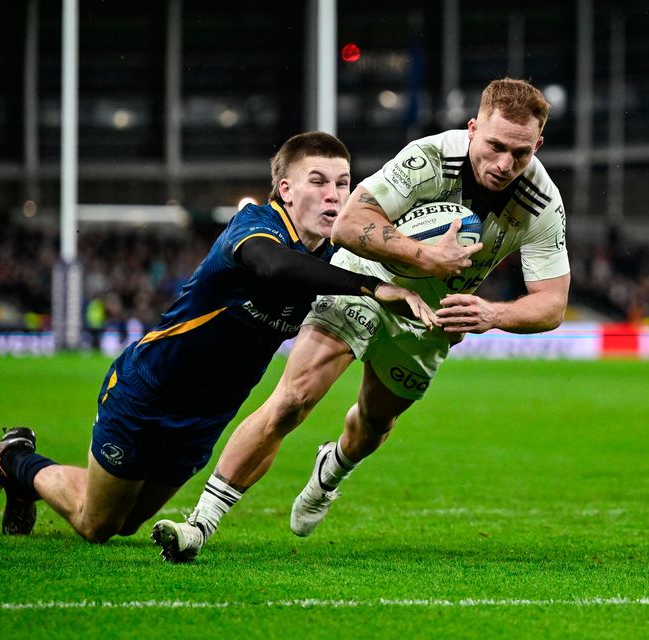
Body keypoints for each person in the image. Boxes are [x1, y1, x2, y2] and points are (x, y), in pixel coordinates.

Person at [153, 77, 570, 561]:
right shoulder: (429, 158)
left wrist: (493, 313)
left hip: (432, 317)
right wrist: (424, 257)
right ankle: (199, 526)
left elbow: (552, 304)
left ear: (537, 145)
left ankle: (331, 470)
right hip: (366, 277)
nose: (504, 164)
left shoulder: (542, 202)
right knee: (293, 399)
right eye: (495, 146)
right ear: (473, 128)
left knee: (373, 423)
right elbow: (350, 223)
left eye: (520, 153)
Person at [0, 131, 436, 543]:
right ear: (286, 189)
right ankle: (16, 460)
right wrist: (371, 285)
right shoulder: (257, 227)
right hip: (150, 389)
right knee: (96, 524)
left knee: (127, 525)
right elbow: (273, 268)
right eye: (318, 182)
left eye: (342, 183)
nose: (334, 195)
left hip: (207, 415)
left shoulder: (337, 252)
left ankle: (26, 472)